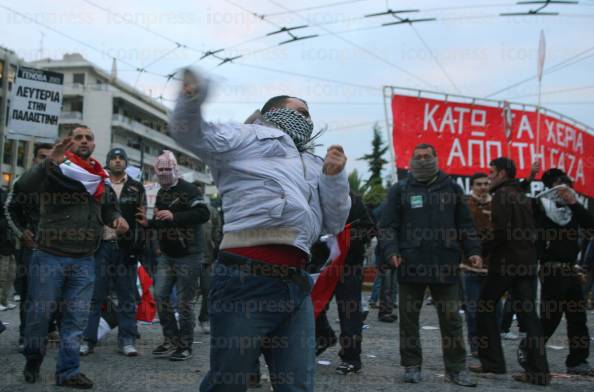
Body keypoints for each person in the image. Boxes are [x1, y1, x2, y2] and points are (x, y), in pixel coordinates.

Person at [169, 68, 350, 391]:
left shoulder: (310, 161)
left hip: (295, 284)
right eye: (300, 112)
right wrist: (191, 96)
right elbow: (189, 133)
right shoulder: (246, 136)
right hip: (246, 278)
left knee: (298, 385)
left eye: (310, 116)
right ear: (272, 113)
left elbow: (332, 224)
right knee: (229, 381)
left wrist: (334, 178)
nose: (307, 121)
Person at [19, 127, 128, 388]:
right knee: (40, 315)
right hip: (49, 256)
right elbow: (24, 187)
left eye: (88, 138)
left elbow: (108, 208)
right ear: (70, 143)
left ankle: (68, 371)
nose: (83, 141)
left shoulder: (99, 177)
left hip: (85, 259)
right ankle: (33, 357)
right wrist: (49, 161)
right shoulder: (56, 169)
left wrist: (116, 219)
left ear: (93, 144)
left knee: (76, 318)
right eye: (78, 137)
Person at [379, 143, 481, 387]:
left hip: (445, 264)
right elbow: (387, 226)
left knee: (452, 320)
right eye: (418, 157)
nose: (423, 160)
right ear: (411, 160)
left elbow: (465, 226)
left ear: (436, 158)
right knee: (408, 320)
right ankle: (411, 366)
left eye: (427, 156)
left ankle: (456, 369)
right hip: (410, 263)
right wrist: (392, 251)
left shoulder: (453, 189)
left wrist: (474, 251)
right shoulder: (400, 189)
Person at [471, 157, 550, 386]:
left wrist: (479, 251)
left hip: (506, 263)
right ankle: (539, 371)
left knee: (484, 307)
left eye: (492, 172)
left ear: (503, 173)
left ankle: (492, 363)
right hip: (526, 263)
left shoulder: (502, 196)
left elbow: (501, 232)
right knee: (529, 317)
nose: (489, 176)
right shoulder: (520, 195)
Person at [136, 150, 210, 361]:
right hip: (167, 255)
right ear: (155, 171)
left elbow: (203, 214)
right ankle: (170, 339)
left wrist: (175, 215)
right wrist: (148, 224)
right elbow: (162, 219)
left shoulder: (190, 190)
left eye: (169, 169)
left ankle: (185, 345)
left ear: (176, 169)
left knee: (184, 303)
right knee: (160, 296)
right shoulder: (161, 192)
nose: (165, 173)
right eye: (161, 170)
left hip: (189, 254)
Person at [80, 147, 146, 357]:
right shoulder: (97, 183)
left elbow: (140, 221)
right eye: (113, 158)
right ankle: (88, 340)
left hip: (125, 249)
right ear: (108, 162)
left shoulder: (136, 188)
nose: (117, 161)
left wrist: (137, 248)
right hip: (100, 247)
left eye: (121, 158)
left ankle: (127, 340)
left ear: (126, 162)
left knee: (127, 296)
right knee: (95, 296)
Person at [533, 169, 594, 376]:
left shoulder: (573, 209)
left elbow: (590, 224)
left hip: (571, 270)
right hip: (552, 270)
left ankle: (578, 361)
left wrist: (574, 204)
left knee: (577, 318)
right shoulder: (539, 206)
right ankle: (530, 352)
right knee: (550, 317)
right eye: (560, 185)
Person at [315, 191, 375, 374]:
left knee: (349, 314)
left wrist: (347, 238)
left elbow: (369, 228)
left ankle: (351, 357)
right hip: (321, 265)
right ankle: (324, 336)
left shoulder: (353, 199)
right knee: (313, 306)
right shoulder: (314, 196)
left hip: (348, 265)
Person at [5, 143, 57, 349]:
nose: (45, 160)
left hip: (56, 248)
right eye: (41, 156)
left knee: (53, 293)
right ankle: (25, 336)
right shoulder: (23, 182)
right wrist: (21, 232)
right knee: (28, 293)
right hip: (31, 248)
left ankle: (48, 330)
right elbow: (9, 210)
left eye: (49, 157)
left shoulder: (61, 183)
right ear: (34, 159)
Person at [460, 172, 501, 357]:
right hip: (470, 265)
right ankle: (476, 347)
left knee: (495, 310)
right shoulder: (465, 205)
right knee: (473, 310)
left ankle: (492, 345)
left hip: (493, 266)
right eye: (479, 184)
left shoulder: (497, 205)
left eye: (486, 183)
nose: (483, 187)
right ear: (472, 186)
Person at [197, 199, 222, 334]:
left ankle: (204, 318)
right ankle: (185, 322)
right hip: (188, 257)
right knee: (186, 293)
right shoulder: (185, 209)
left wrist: (215, 243)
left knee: (207, 290)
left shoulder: (211, 210)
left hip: (208, 257)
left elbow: (218, 227)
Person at [0, 187, 16, 311]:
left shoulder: (4, 193)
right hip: (2, 241)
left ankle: (5, 300)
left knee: (10, 273)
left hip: (8, 241)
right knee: (2, 274)